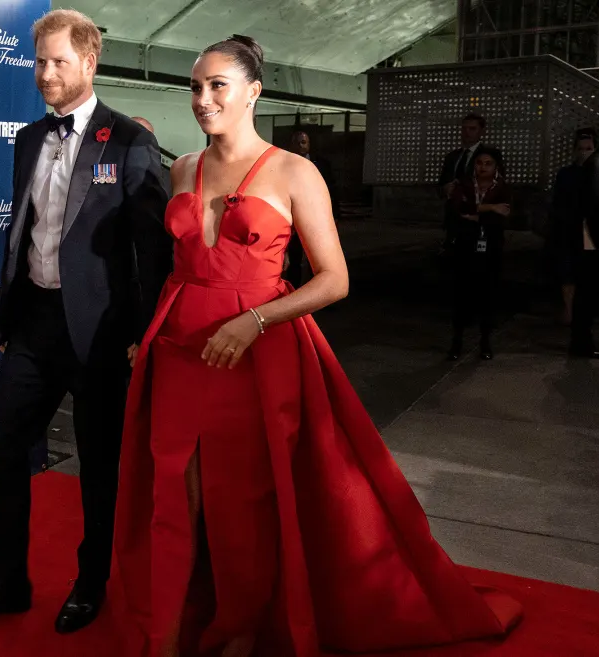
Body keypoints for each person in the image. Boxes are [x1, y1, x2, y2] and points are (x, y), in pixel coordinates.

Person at [114, 35, 522, 657]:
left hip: (254, 355)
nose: (202, 99)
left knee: (241, 504)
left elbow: (335, 279)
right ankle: (166, 635)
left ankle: (242, 631)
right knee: (175, 496)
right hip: (178, 349)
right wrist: (150, 337)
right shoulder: (183, 169)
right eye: (195, 86)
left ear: (253, 91)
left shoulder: (293, 171)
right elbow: (178, 270)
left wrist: (254, 322)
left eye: (216, 85)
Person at [0, 9, 172, 634]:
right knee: (2, 448)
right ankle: (8, 583)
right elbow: (27, 233)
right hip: (35, 323)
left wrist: (144, 336)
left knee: (98, 466)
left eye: (57, 62)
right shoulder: (25, 138)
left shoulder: (128, 140)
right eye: (39, 62)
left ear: (89, 62)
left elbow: (152, 251)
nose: (44, 74)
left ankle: (91, 583)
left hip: (101, 334)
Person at [447, 146, 510, 361]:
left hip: (491, 247)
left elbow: (503, 216)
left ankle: (485, 342)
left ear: (496, 166)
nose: (482, 167)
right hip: (464, 245)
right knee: (460, 294)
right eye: (479, 163)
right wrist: (490, 208)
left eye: (488, 164)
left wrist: (476, 213)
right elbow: (458, 208)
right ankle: (456, 342)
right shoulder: (463, 184)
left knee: (488, 294)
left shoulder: (502, 187)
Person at [551, 131, 597, 325]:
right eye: (580, 149)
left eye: (588, 149)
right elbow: (558, 202)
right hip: (569, 228)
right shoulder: (566, 174)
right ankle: (569, 311)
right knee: (567, 271)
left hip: (593, 230)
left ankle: (585, 313)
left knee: (589, 273)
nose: (584, 153)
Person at [285, 129, 337, 288]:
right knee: (294, 257)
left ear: (309, 144)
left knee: (321, 259)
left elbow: (331, 190)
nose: (300, 146)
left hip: (317, 219)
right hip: (293, 219)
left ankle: (322, 292)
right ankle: (294, 291)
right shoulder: (284, 165)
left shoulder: (321, 165)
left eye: (303, 142)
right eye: (297, 142)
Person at [570, 142, 599, 358]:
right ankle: (582, 343)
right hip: (593, 237)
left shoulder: (596, 160)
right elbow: (596, 205)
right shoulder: (598, 162)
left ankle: (581, 342)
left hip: (591, 236)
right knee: (588, 291)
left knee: (587, 291)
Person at [438, 114, 486, 252]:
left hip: (477, 219)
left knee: (478, 257)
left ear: (481, 132)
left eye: (472, 129)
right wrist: (445, 189)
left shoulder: (490, 155)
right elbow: (441, 184)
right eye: (464, 129)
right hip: (454, 218)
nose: (467, 133)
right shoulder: (452, 156)